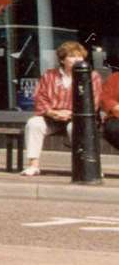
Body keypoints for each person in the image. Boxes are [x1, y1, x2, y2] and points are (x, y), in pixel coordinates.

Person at [22, 39, 101, 175]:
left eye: (79, 56)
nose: (77, 59)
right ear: (62, 60)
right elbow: (40, 97)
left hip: (77, 118)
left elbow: (94, 101)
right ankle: (33, 166)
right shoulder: (49, 75)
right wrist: (52, 113)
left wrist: (71, 114)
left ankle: (86, 167)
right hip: (52, 117)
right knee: (33, 123)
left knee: (76, 128)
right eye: (72, 56)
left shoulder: (92, 76)